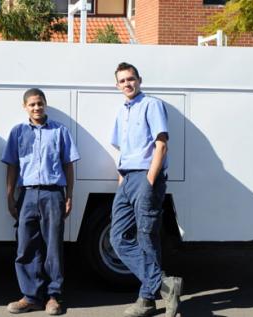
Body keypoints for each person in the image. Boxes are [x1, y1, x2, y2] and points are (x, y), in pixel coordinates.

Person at [109, 62, 182, 317]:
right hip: (127, 178)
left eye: (131, 79)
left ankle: (146, 300)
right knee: (118, 237)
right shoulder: (122, 111)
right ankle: (165, 285)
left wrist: (150, 180)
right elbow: (122, 149)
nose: (127, 84)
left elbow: (161, 145)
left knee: (146, 237)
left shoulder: (152, 104)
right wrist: (122, 180)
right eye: (122, 81)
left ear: (139, 80)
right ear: (117, 85)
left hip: (146, 177)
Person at [2, 89, 80, 315]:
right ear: (25, 107)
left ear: (45, 105)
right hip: (26, 195)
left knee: (53, 246)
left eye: (40, 103)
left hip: (53, 194)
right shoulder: (17, 133)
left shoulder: (59, 131)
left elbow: (68, 165)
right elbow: (12, 166)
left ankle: (53, 296)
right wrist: (9, 196)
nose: (37, 108)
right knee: (26, 246)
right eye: (32, 104)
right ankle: (31, 296)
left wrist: (69, 195)